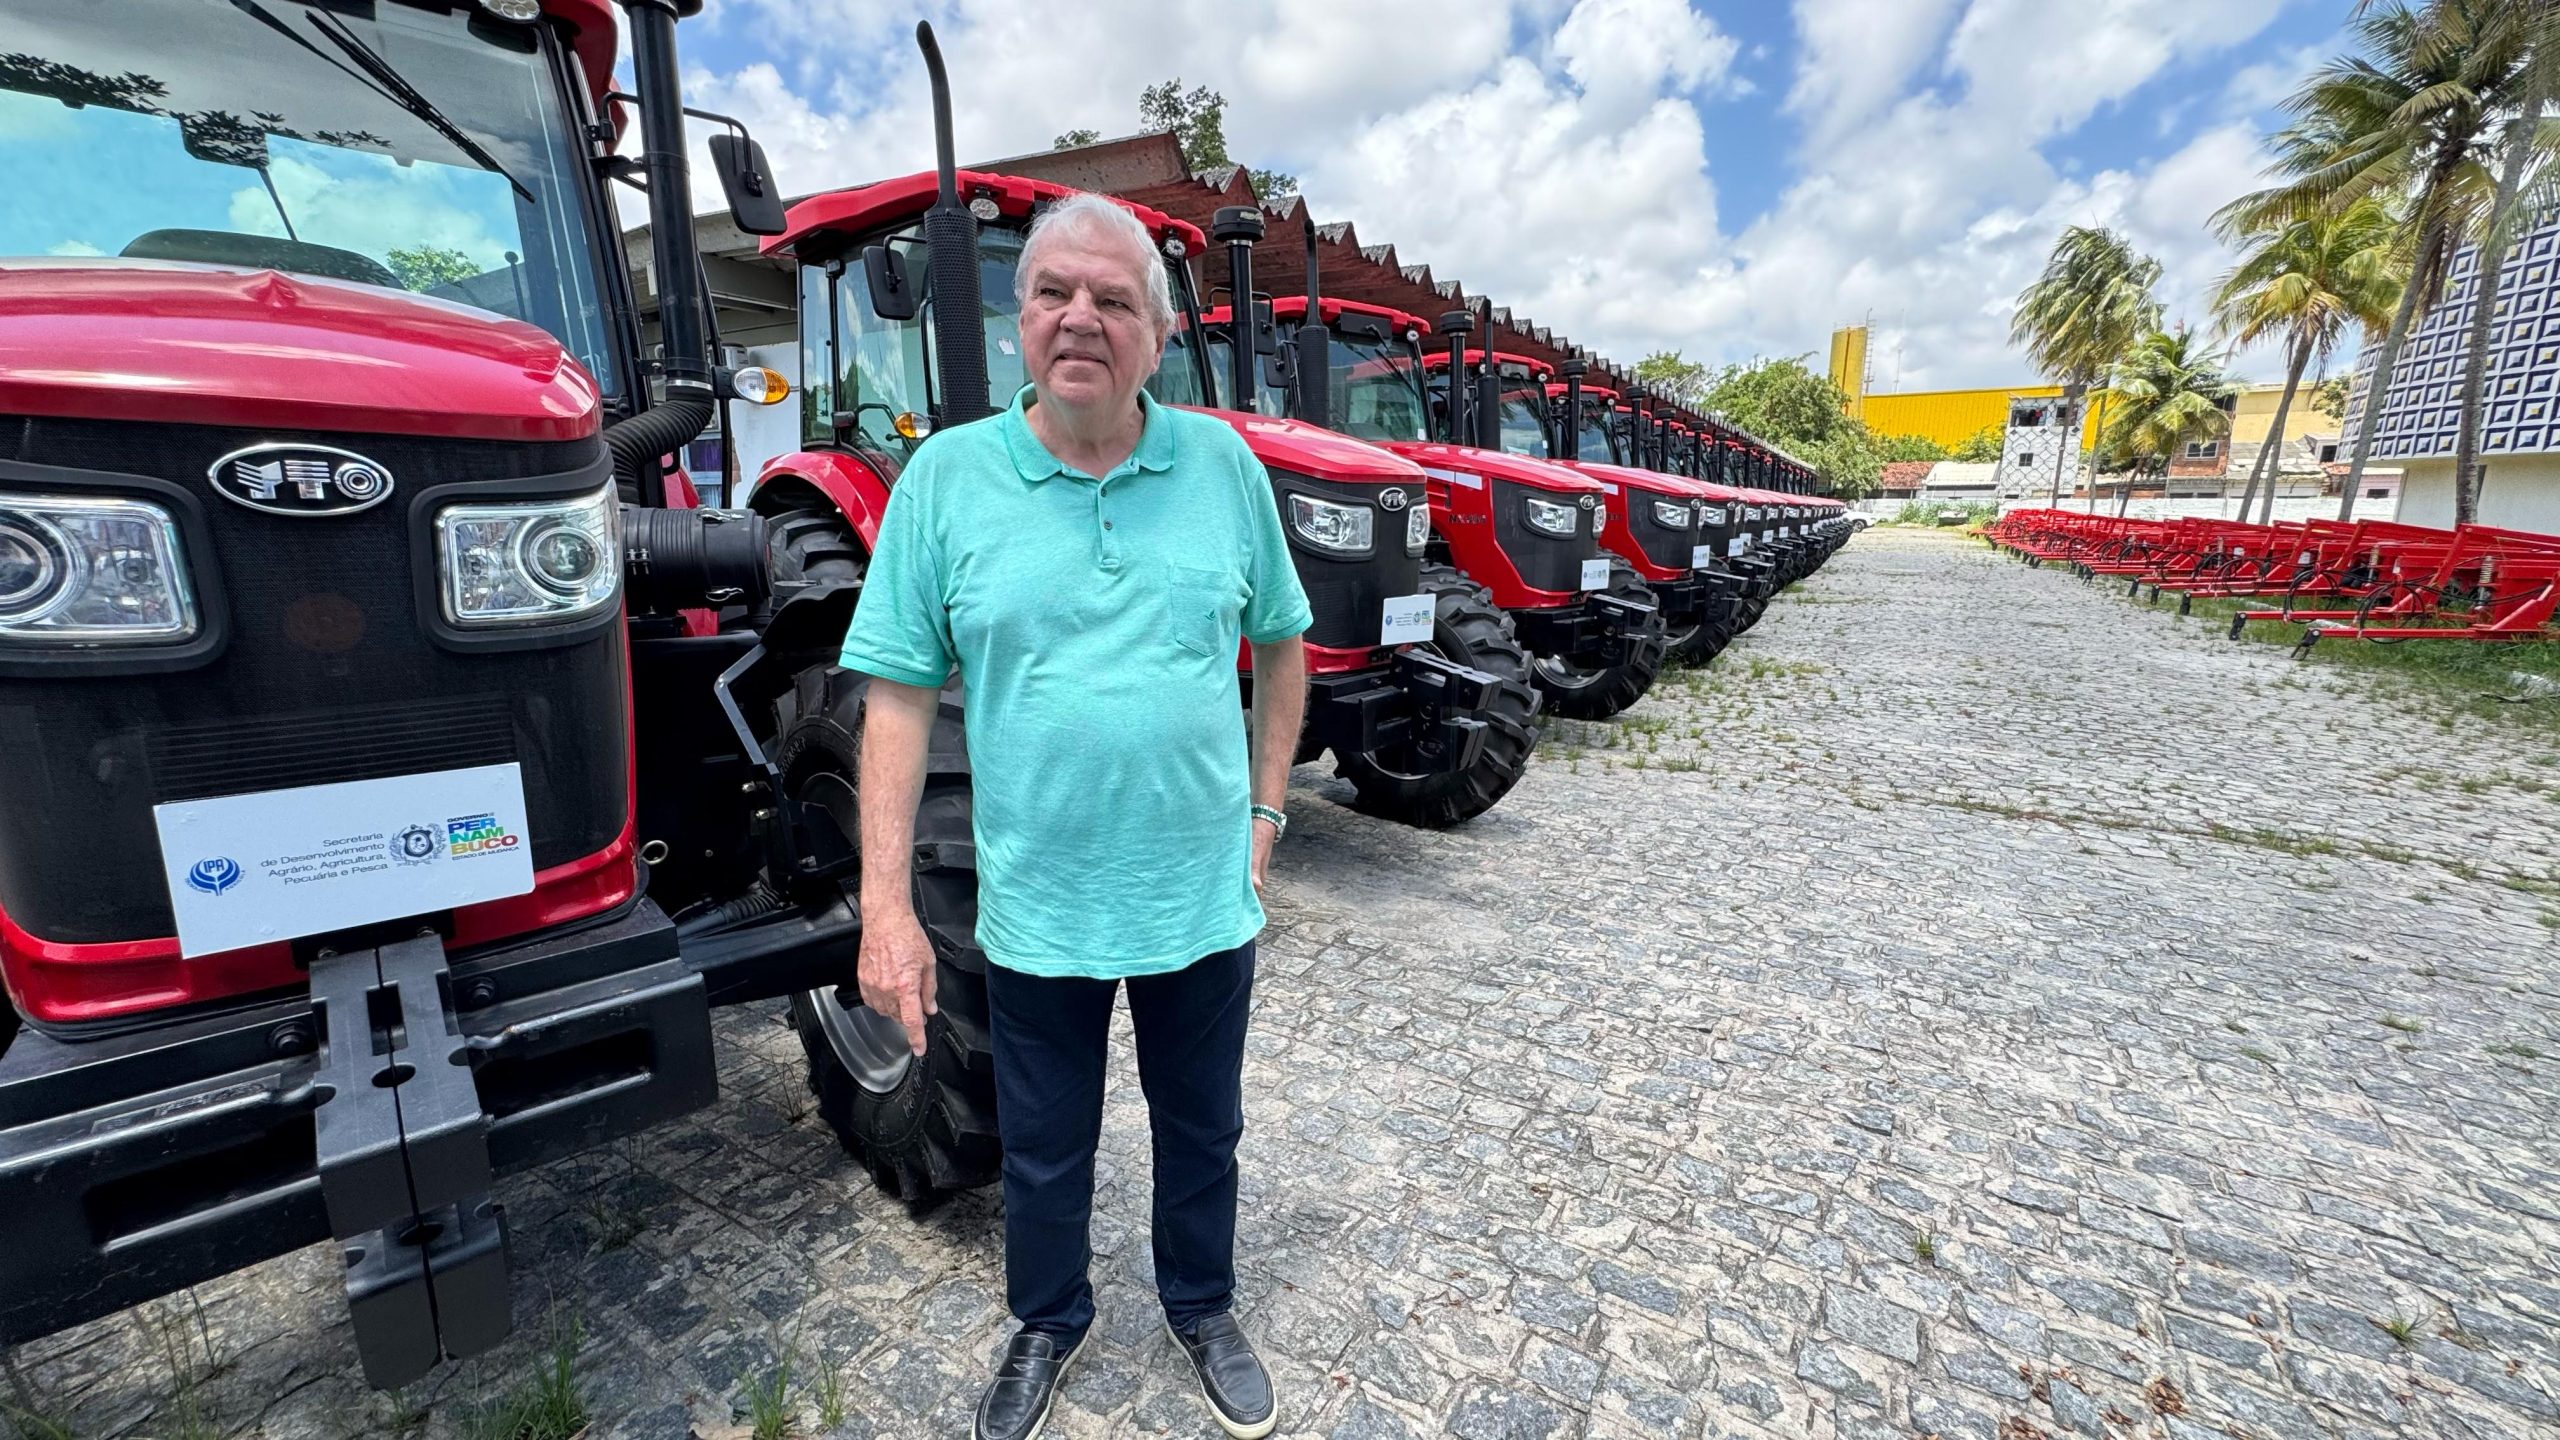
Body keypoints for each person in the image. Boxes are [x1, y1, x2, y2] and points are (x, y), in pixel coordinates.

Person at [837, 191, 1311, 1440]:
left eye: (1112, 299)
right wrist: (884, 906)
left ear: (1155, 333)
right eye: (1055, 293)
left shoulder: (1221, 468)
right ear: (1019, 318)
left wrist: (1266, 809)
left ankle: (1199, 1305)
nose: (1080, 320)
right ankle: (1047, 1317)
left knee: (1202, 1126)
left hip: (1199, 892)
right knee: (1044, 1146)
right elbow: (892, 701)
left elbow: (1282, 645)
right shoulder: (946, 481)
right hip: (1035, 898)